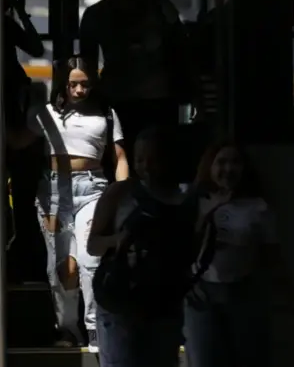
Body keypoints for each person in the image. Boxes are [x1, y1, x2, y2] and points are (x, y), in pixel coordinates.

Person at [9, 56, 129, 351]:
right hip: (53, 193)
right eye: (73, 84)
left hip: (93, 189)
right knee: (63, 267)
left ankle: (95, 329)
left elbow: (120, 157)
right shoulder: (46, 113)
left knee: (91, 261)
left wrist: (122, 194)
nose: (79, 90)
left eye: (85, 84)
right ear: (63, 84)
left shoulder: (106, 114)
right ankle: (67, 329)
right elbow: (18, 141)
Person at [87, 126, 207, 367]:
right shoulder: (121, 192)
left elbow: (193, 250)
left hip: (164, 305)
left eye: (154, 159)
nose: (147, 166)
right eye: (140, 159)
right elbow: (93, 245)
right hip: (121, 302)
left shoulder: (186, 199)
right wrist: (118, 239)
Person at [183, 139, 294, 367]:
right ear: (210, 166)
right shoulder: (194, 201)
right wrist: (210, 211)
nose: (228, 169)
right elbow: (183, 246)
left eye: (235, 162)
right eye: (221, 162)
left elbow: (273, 257)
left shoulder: (257, 207)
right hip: (202, 294)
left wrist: (291, 303)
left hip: (243, 293)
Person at [79, 0, 196, 165]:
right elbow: (182, 47)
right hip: (155, 95)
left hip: (124, 96)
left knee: (123, 158)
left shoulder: (96, 14)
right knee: (160, 157)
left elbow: (87, 65)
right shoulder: (159, 6)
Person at [0, 0, 49, 284]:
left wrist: (19, 12)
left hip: (13, 113)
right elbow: (36, 47)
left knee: (23, 194)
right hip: (6, 112)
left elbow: (36, 48)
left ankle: (25, 253)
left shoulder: (4, 23)